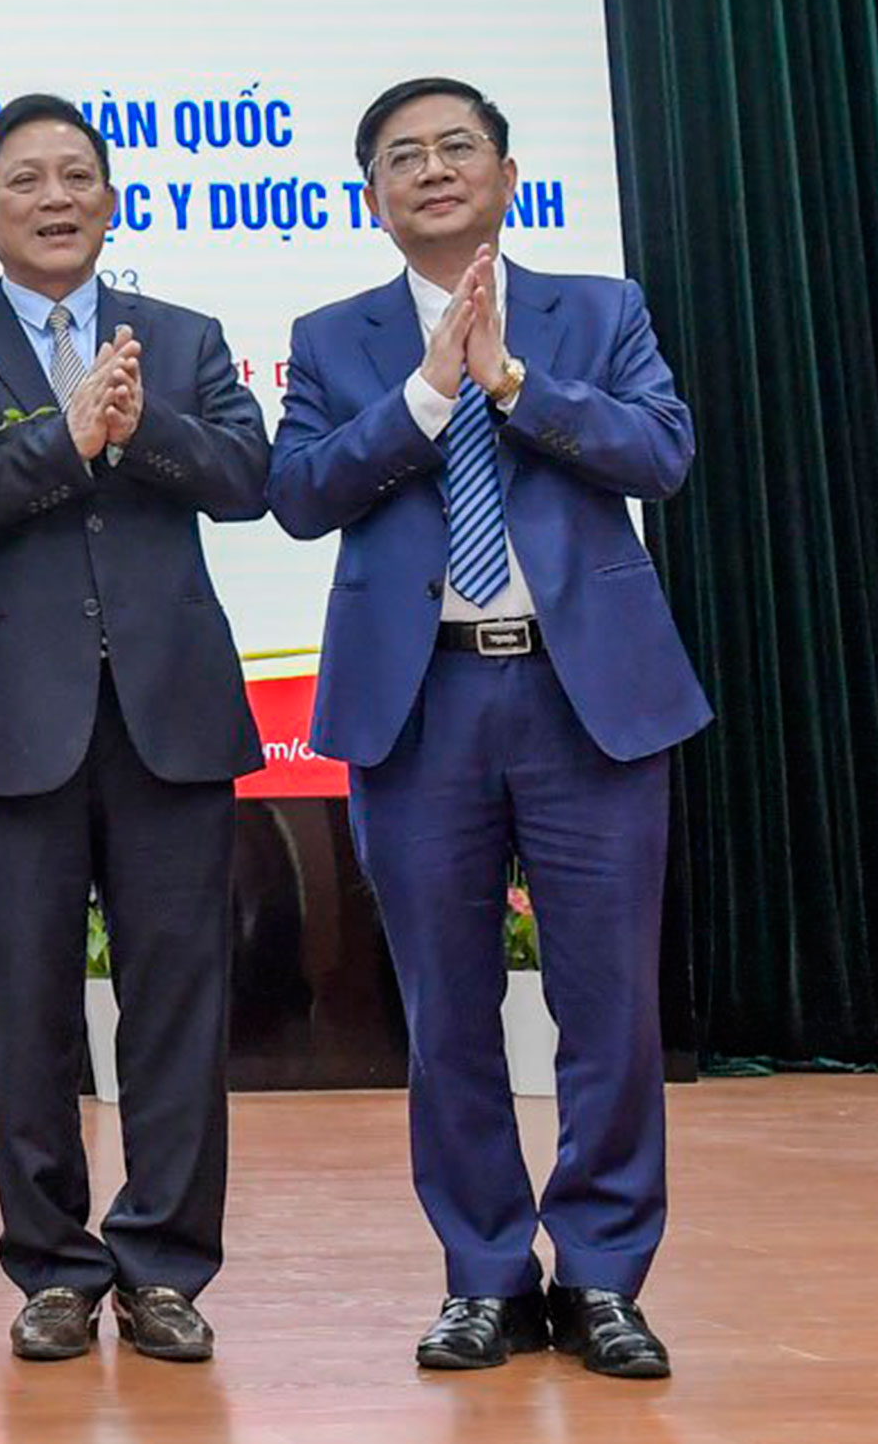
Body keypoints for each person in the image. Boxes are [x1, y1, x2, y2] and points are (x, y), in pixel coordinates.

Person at [266, 78, 709, 1380]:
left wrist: (512, 381)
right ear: (372, 197)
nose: (433, 168)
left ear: (508, 177)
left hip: (587, 701)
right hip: (423, 706)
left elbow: (661, 454)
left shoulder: (598, 310)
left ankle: (606, 1273)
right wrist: (422, 395)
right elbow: (297, 493)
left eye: (458, 146)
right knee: (445, 1009)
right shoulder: (334, 335)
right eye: (402, 156)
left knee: (609, 1004)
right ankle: (486, 1276)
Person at [0, 94, 268, 1365]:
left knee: (177, 1010)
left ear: (110, 198)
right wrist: (66, 438)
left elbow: (246, 478)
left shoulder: (183, 335)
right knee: (25, 1011)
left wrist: (138, 427)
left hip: (170, 720)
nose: (56, 198)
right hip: (9, 725)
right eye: (27, 180)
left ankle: (164, 1266)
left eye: (77, 176)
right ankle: (52, 1266)